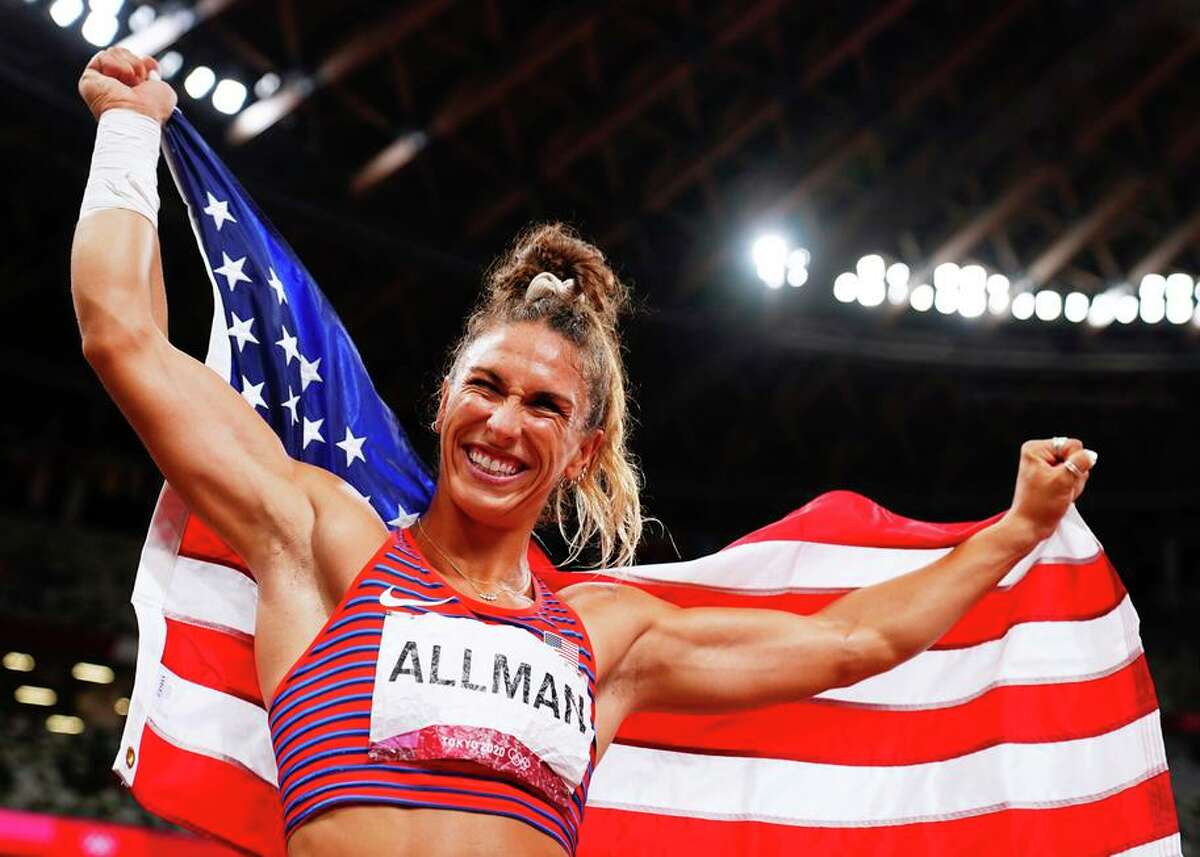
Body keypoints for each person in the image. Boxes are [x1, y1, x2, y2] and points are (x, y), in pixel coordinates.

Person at [71, 48, 1097, 857]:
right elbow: (124, 334)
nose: (505, 423)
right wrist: (127, 131)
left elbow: (852, 642)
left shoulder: (608, 638)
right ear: (443, 400)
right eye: (486, 385)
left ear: (582, 447)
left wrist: (1017, 530)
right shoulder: (324, 541)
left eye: (543, 405)